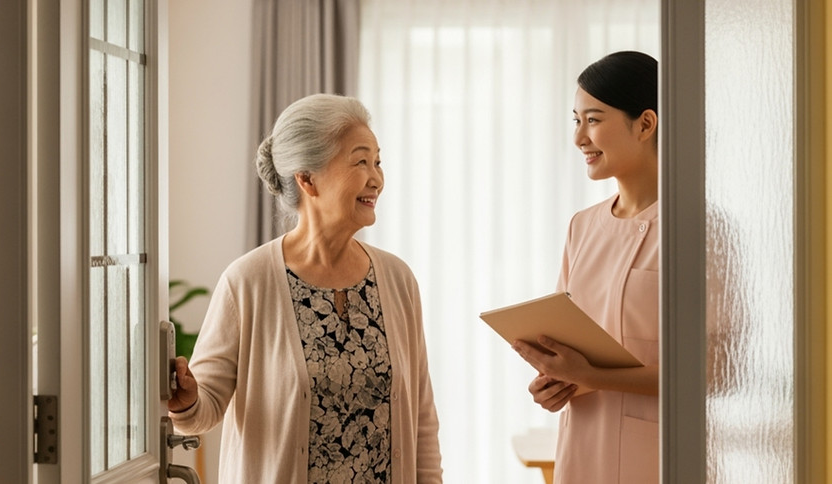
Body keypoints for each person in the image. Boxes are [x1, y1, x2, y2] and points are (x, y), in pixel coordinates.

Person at [168, 93, 443, 483]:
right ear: (308, 179)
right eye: (360, 162)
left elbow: (422, 419)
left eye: (378, 162)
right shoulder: (248, 281)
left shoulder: (398, 280)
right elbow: (203, 410)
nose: (376, 179)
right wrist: (186, 402)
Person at [511, 51, 660, 484]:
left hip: (658, 454)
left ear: (645, 124)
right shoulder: (583, 226)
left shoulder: (697, 229)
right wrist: (555, 383)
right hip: (582, 448)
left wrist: (590, 375)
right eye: (576, 121)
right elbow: (566, 339)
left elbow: (713, 375)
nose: (579, 138)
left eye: (593, 120)